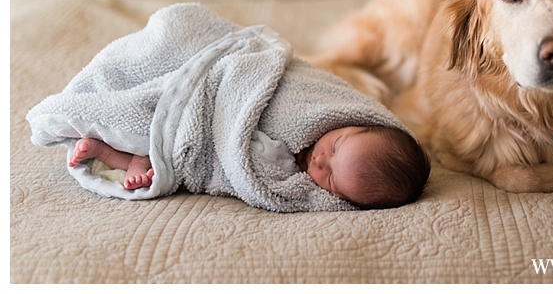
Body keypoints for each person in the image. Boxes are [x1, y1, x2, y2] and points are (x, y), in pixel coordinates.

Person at [69, 124, 431, 210]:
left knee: (172, 155)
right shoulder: (315, 116)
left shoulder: (291, 180)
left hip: (205, 145)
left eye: (331, 176)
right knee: (158, 123)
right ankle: (127, 147)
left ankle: (113, 153)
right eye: (334, 146)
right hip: (214, 105)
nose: (319, 160)